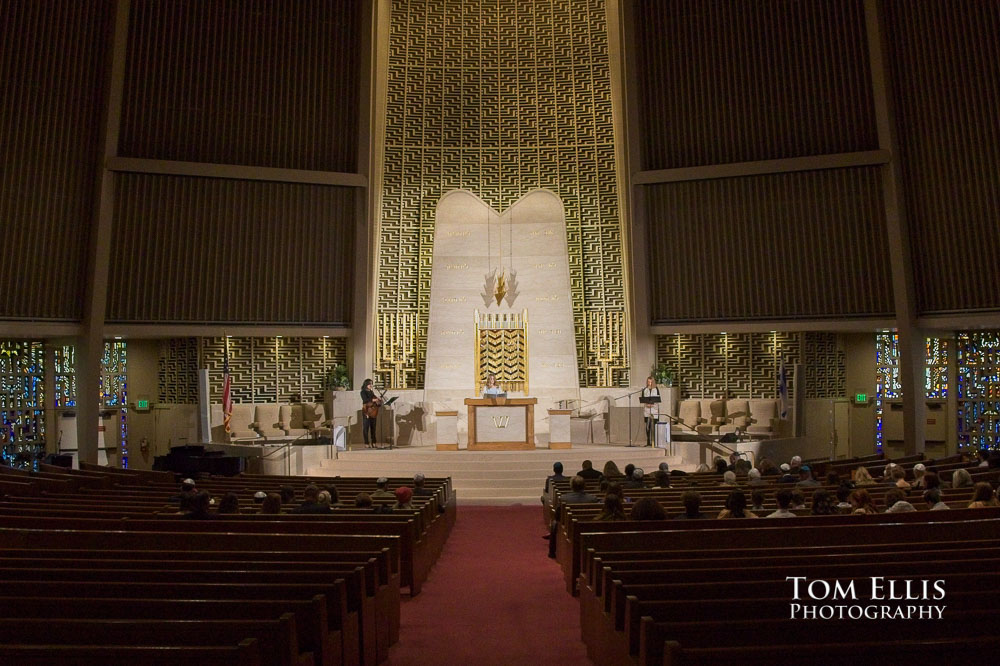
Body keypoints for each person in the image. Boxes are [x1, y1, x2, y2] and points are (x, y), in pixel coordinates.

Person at [361, 378, 381, 448]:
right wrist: (374, 399)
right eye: (370, 384)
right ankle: (366, 443)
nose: (371, 385)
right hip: (366, 410)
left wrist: (377, 400)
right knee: (366, 428)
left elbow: (374, 399)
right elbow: (365, 400)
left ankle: (374, 442)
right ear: (366, 384)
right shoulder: (363, 392)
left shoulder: (371, 392)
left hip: (373, 411)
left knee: (373, 428)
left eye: (371, 384)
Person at [641, 376, 660, 447]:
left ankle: (654, 441)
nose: (650, 383)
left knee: (654, 426)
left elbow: (658, 399)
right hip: (647, 410)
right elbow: (643, 399)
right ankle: (648, 441)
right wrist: (647, 404)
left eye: (651, 382)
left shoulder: (656, 389)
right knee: (647, 426)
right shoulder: (645, 390)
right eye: (648, 381)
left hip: (654, 410)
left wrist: (653, 404)